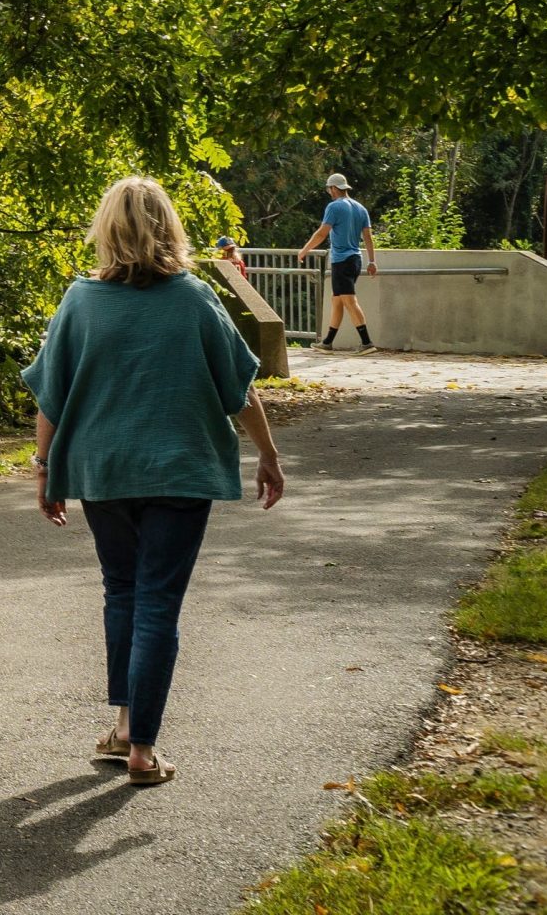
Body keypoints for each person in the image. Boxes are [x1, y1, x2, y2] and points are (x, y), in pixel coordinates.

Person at [23, 177, 286, 788]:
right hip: (179, 471)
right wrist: (268, 455)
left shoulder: (80, 301)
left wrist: (46, 469)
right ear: (169, 227)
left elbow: (51, 398)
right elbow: (238, 390)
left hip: (103, 471)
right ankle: (140, 747)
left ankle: (124, 729)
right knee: (157, 602)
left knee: (122, 592)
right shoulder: (194, 298)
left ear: (106, 230)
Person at [302, 172, 377, 350]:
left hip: (341, 261)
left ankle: (367, 342)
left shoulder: (334, 207)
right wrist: (372, 261)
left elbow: (322, 232)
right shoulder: (361, 208)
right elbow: (368, 236)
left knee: (349, 301)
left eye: (329, 189)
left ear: (334, 188)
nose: (329, 192)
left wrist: (305, 250)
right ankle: (328, 342)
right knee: (337, 300)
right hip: (355, 259)